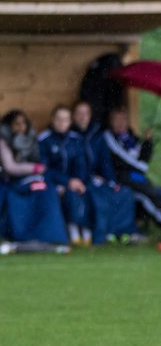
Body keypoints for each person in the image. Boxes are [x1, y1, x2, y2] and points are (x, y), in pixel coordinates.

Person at [101, 107, 161, 243]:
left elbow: (143, 159)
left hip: (136, 177)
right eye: (116, 120)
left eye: (123, 119)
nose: (120, 123)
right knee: (148, 197)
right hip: (122, 178)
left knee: (158, 194)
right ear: (110, 122)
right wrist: (141, 166)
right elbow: (127, 160)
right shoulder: (109, 137)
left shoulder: (133, 138)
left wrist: (147, 142)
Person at [71, 100, 137, 244]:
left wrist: (112, 181)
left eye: (86, 114)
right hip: (80, 181)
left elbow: (105, 162)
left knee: (123, 193)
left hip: (97, 179)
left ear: (90, 116)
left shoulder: (97, 136)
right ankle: (102, 233)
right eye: (79, 114)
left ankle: (122, 232)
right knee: (97, 196)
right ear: (74, 116)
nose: (82, 117)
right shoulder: (70, 137)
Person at [0, 109, 68, 246]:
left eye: (23, 123)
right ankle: (21, 235)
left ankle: (50, 235)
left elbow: (42, 163)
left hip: (33, 179)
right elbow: (10, 167)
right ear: (9, 126)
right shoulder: (3, 141)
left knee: (47, 191)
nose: (21, 127)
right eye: (16, 124)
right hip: (12, 182)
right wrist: (34, 168)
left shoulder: (32, 140)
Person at [38, 104, 91, 245]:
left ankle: (86, 227)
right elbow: (43, 168)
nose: (62, 123)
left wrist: (77, 181)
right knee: (66, 193)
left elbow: (81, 164)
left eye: (65, 120)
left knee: (87, 191)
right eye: (59, 119)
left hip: (74, 182)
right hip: (53, 181)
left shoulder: (76, 139)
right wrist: (67, 182)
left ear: (70, 121)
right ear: (52, 120)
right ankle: (72, 227)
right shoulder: (44, 139)